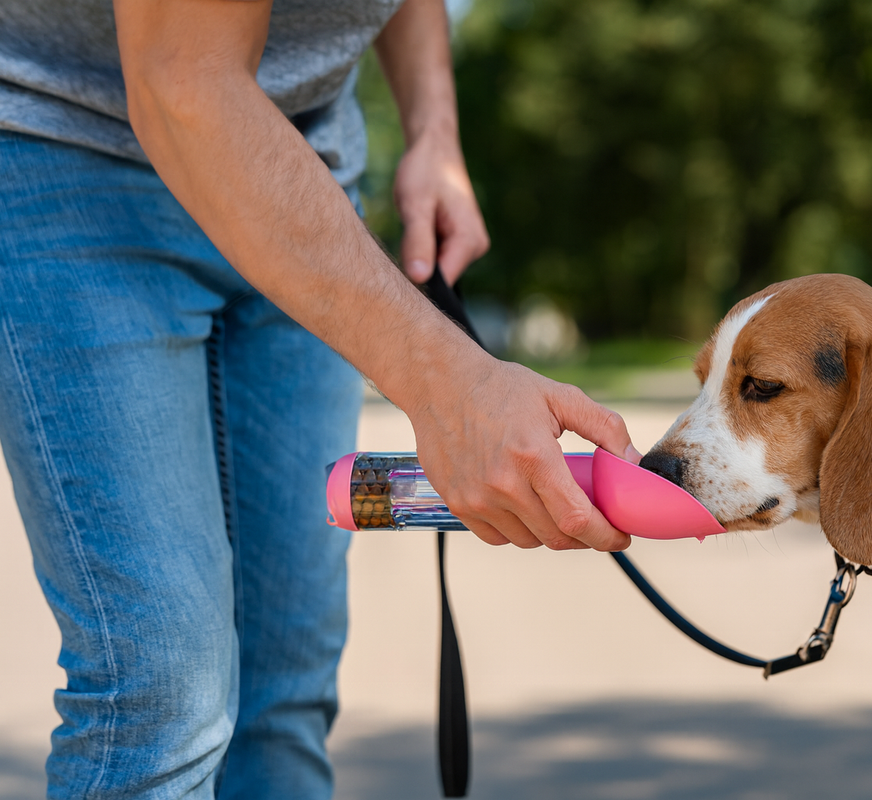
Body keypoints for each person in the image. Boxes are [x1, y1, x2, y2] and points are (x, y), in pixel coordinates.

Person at [0, 0, 640, 796]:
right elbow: (183, 82)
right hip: (67, 147)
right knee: (162, 696)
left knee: (286, 693)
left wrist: (433, 130)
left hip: (300, 167)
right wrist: (454, 387)